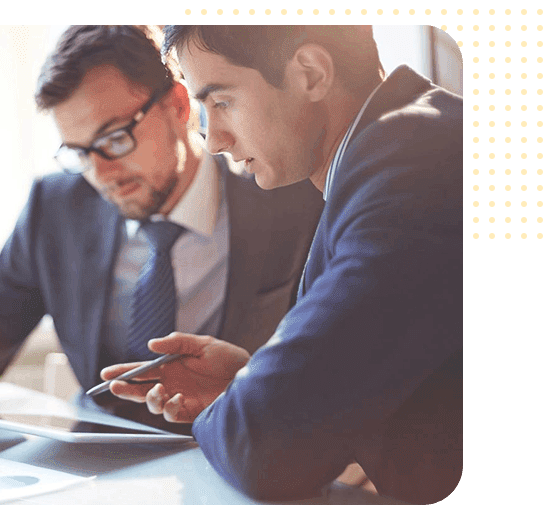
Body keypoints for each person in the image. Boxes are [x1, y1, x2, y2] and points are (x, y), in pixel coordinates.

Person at [0, 25, 324, 442]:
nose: (101, 175)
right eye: (80, 153)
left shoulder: (290, 201)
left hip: (234, 459)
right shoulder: (55, 209)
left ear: (178, 106)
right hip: (98, 467)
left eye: (114, 140)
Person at [102, 26, 463, 505]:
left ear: (311, 74)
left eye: (222, 100)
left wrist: (248, 407)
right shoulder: (391, 150)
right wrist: (248, 384)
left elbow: (264, 448)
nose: (213, 140)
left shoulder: (410, 171)